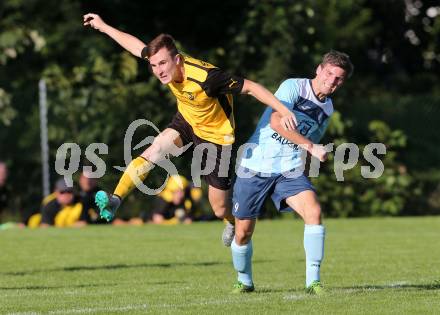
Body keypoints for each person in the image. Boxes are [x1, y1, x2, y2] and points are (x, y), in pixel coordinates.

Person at [83, 13, 297, 246]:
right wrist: (103, 27)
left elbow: (252, 87)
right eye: (154, 65)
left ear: (177, 60)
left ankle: (231, 220)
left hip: (216, 138)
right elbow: (137, 47)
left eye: (163, 64)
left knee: (218, 207)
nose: (158, 70)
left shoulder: (208, 78)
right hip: (186, 121)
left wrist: (284, 110)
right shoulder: (161, 61)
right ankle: (116, 200)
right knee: (153, 151)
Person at [230, 50, 353, 294]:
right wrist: (310, 146)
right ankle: (244, 280)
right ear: (319, 69)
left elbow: (309, 142)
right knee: (243, 232)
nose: (332, 81)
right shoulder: (294, 87)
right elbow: (276, 121)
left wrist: (308, 161)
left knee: (314, 212)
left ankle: (313, 282)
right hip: (255, 166)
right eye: (329, 73)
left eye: (338, 78)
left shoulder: (327, 108)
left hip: (289, 169)